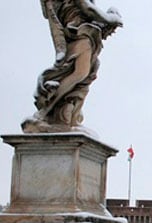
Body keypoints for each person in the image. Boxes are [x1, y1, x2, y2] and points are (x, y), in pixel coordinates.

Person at [24, 0, 124, 133]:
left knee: (87, 77)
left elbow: (90, 11)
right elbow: (88, 9)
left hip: (88, 35)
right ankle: (45, 111)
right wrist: (111, 19)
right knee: (80, 74)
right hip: (79, 34)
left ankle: (72, 117)